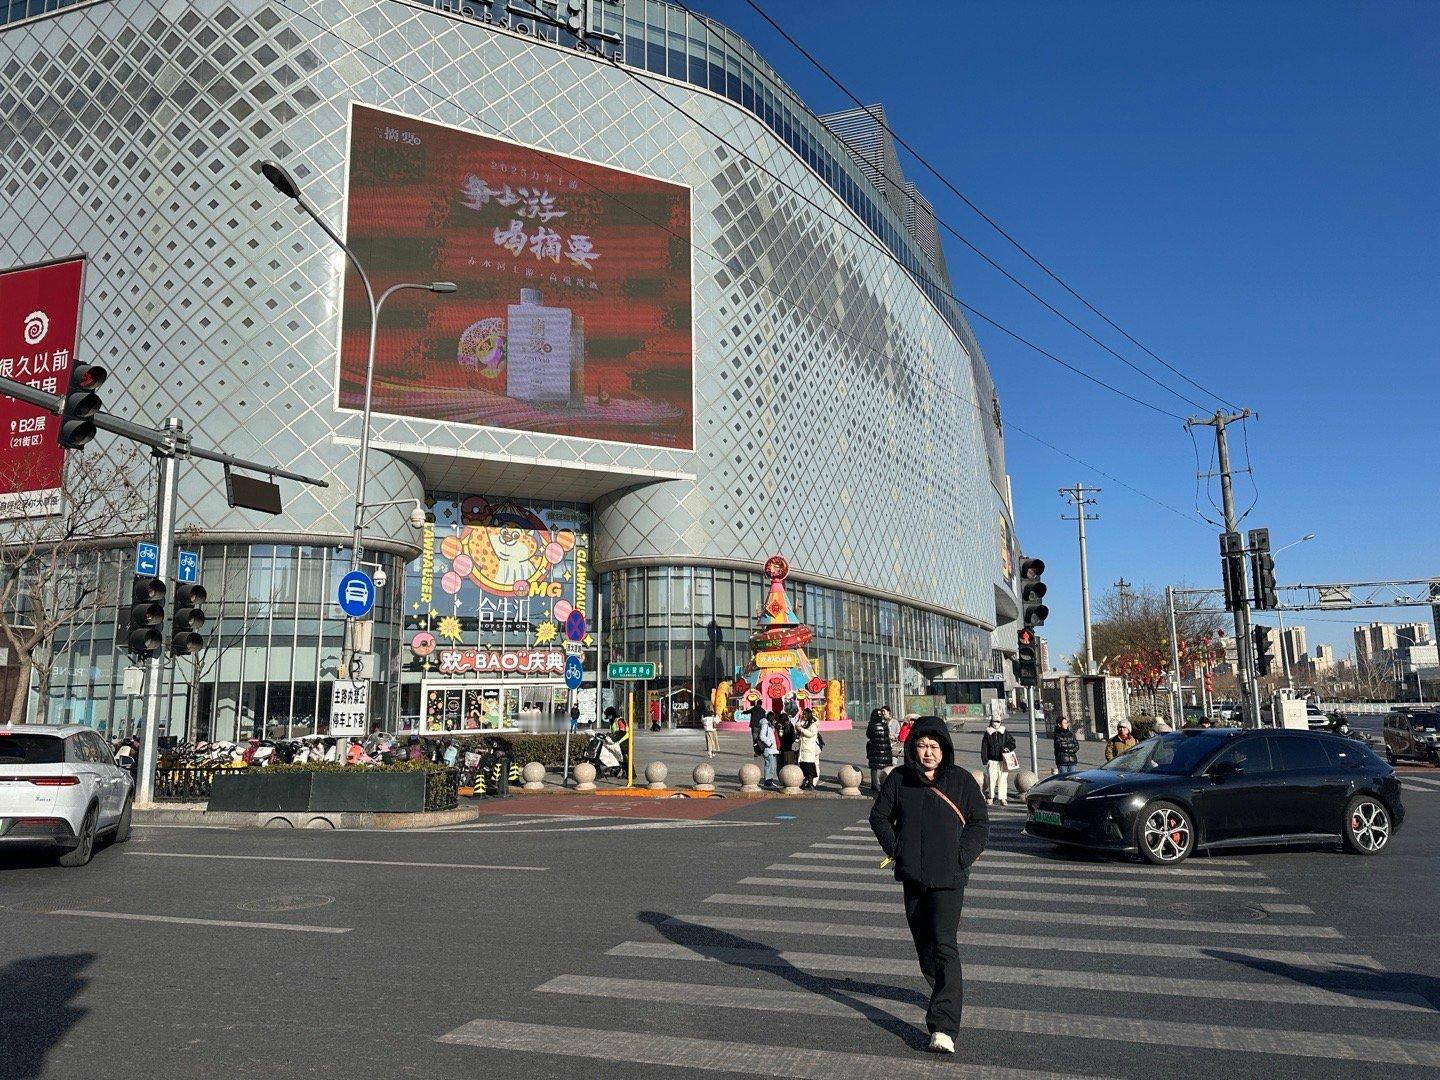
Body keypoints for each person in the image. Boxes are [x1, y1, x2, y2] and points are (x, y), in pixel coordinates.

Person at [869, 717, 989, 1056]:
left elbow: (979, 823)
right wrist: (896, 848)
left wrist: (963, 857)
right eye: (921, 746)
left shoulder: (962, 781)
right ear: (912, 747)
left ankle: (943, 1027)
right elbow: (878, 816)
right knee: (925, 948)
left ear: (945, 748)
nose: (927, 753)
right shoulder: (900, 780)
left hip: (949, 878)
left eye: (934, 747)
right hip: (913, 876)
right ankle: (944, 989)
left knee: (944, 945)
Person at [979, 717, 1015, 806]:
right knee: (992, 779)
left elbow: (1012, 742)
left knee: (1003, 779)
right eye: (994, 721)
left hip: (1003, 760)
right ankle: (991, 797)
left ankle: (1002, 798)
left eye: (998, 721)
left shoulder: (1004, 731)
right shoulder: (988, 732)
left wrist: (1007, 748)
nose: (996, 723)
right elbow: (984, 747)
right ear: (991, 722)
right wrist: (985, 759)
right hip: (992, 760)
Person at [865, 707, 895, 794]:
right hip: (885, 749)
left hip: (875, 749)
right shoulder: (884, 725)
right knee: (885, 767)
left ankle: (874, 785)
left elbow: (868, 735)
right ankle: (886, 783)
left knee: (874, 768)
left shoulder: (871, 725)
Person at [795, 707, 821, 789]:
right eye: (803, 714)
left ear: (808, 715)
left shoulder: (812, 724)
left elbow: (811, 734)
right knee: (803, 767)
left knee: (809, 767)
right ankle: (805, 782)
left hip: (809, 749)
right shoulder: (805, 723)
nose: (803, 715)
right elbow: (797, 725)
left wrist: (801, 730)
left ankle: (810, 783)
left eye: (805, 714)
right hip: (803, 748)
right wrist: (799, 721)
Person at [758, 712, 779, 789]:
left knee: (772, 766)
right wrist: (769, 743)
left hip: (772, 749)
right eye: (773, 717)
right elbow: (762, 736)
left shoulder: (770, 725)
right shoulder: (765, 724)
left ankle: (769, 781)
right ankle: (767, 783)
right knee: (769, 766)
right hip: (768, 749)